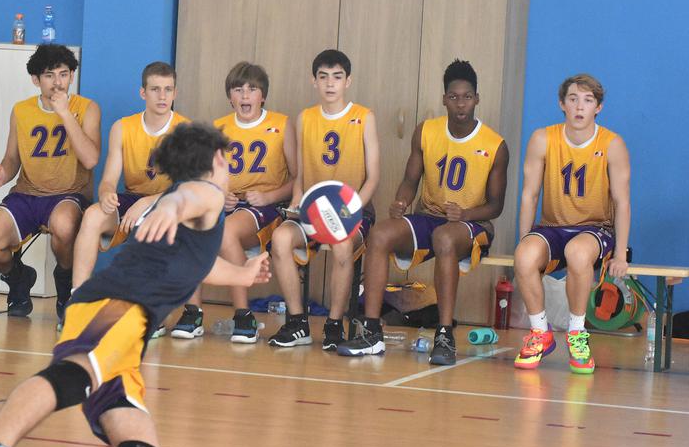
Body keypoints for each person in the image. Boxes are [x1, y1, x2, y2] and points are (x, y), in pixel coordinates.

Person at [0, 122, 271, 447]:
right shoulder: (205, 193)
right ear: (218, 160)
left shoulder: (198, 224)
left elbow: (199, 265)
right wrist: (168, 206)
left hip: (129, 339)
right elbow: (187, 197)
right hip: (114, 306)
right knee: (71, 377)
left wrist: (243, 274)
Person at [350, 60, 509, 362]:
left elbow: (496, 206)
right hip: (431, 217)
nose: (460, 103)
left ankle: (445, 334)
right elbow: (411, 180)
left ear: (477, 98)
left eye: (466, 96)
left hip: (473, 224)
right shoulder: (426, 131)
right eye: (453, 96)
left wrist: (464, 215)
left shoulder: (495, 144)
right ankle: (371, 331)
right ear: (444, 99)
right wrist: (401, 201)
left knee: (445, 238)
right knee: (381, 233)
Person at [169, 62, 296, 343]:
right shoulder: (219, 128)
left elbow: (297, 179)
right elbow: (205, 177)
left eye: (252, 89)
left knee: (225, 230)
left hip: (266, 207)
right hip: (230, 204)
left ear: (263, 95)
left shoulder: (281, 124)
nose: (245, 95)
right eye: (238, 89)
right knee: (187, 226)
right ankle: (192, 311)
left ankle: (243, 314)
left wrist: (269, 196)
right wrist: (218, 192)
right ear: (230, 96)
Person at [0, 44, 100, 324]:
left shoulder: (86, 108)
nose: (58, 83)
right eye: (49, 75)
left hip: (69, 195)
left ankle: (64, 285)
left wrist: (65, 114)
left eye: (64, 75)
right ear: (35, 80)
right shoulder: (21, 111)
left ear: (71, 77)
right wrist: (2, 175)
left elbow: (91, 160)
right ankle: (19, 277)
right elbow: (11, 159)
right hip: (27, 194)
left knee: (66, 226)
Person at [513, 73, 630, 374]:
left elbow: (622, 202)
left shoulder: (612, 144)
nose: (580, 107)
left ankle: (577, 333)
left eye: (588, 100)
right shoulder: (543, 138)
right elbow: (529, 194)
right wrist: (524, 240)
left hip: (595, 228)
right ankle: (540, 332)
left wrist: (619, 254)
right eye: (573, 99)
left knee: (577, 253)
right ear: (561, 104)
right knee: (524, 255)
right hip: (552, 226)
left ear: (598, 107)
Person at [268, 49, 380, 350]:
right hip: (313, 211)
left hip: (352, 212)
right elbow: (301, 176)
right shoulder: (305, 118)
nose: (330, 84)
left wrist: (350, 212)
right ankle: (297, 323)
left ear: (348, 81)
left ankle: (333, 324)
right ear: (314, 81)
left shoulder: (364, 117)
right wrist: (295, 203)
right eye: (323, 77)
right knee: (279, 238)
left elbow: (374, 178)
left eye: (337, 77)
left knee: (343, 245)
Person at [71, 62, 188, 296]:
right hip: (133, 199)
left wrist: (146, 204)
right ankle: (78, 298)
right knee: (93, 215)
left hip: (171, 204)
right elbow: (109, 180)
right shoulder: (123, 127)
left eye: (168, 89)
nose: (162, 96)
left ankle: (152, 309)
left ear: (175, 93)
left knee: (156, 226)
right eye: (155, 89)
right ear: (143, 93)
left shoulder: (186, 130)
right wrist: (106, 196)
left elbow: (187, 188)